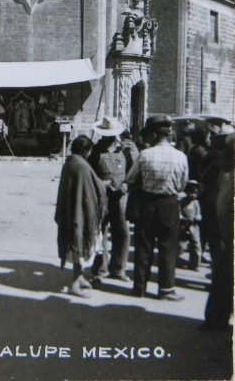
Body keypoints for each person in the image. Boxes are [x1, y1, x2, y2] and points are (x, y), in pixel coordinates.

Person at [127, 115, 188, 301]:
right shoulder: (180, 156)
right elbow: (182, 185)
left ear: (154, 134)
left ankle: (139, 287)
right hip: (169, 204)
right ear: (168, 134)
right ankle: (166, 289)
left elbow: (130, 178)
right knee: (167, 247)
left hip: (147, 203)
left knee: (143, 245)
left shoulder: (145, 155)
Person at [55, 134, 107, 298]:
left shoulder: (71, 162)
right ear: (86, 150)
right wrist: (105, 185)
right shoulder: (81, 166)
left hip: (72, 211)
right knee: (80, 246)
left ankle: (79, 277)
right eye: (90, 151)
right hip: (80, 213)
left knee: (79, 246)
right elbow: (93, 188)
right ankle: (74, 284)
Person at [89, 117, 130, 283]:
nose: (110, 139)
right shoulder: (95, 152)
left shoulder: (123, 151)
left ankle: (118, 268)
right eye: (107, 136)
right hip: (102, 197)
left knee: (122, 232)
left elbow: (132, 173)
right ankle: (100, 269)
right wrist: (104, 185)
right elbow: (90, 176)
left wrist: (127, 184)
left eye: (112, 136)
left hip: (120, 198)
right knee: (100, 233)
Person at [200, 132, 234, 332]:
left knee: (223, 277)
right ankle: (215, 319)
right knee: (222, 277)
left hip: (230, 237)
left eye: (227, 155)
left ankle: (216, 319)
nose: (222, 160)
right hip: (226, 236)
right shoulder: (225, 176)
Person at [178, 180, 202, 270]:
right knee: (180, 245)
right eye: (190, 192)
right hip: (183, 227)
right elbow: (178, 212)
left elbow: (199, 213)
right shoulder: (182, 202)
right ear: (186, 192)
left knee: (196, 246)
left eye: (195, 193)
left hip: (193, 227)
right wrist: (181, 217)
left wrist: (198, 217)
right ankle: (177, 260)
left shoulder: (196, 203)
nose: (192, 195)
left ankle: (195, 264)